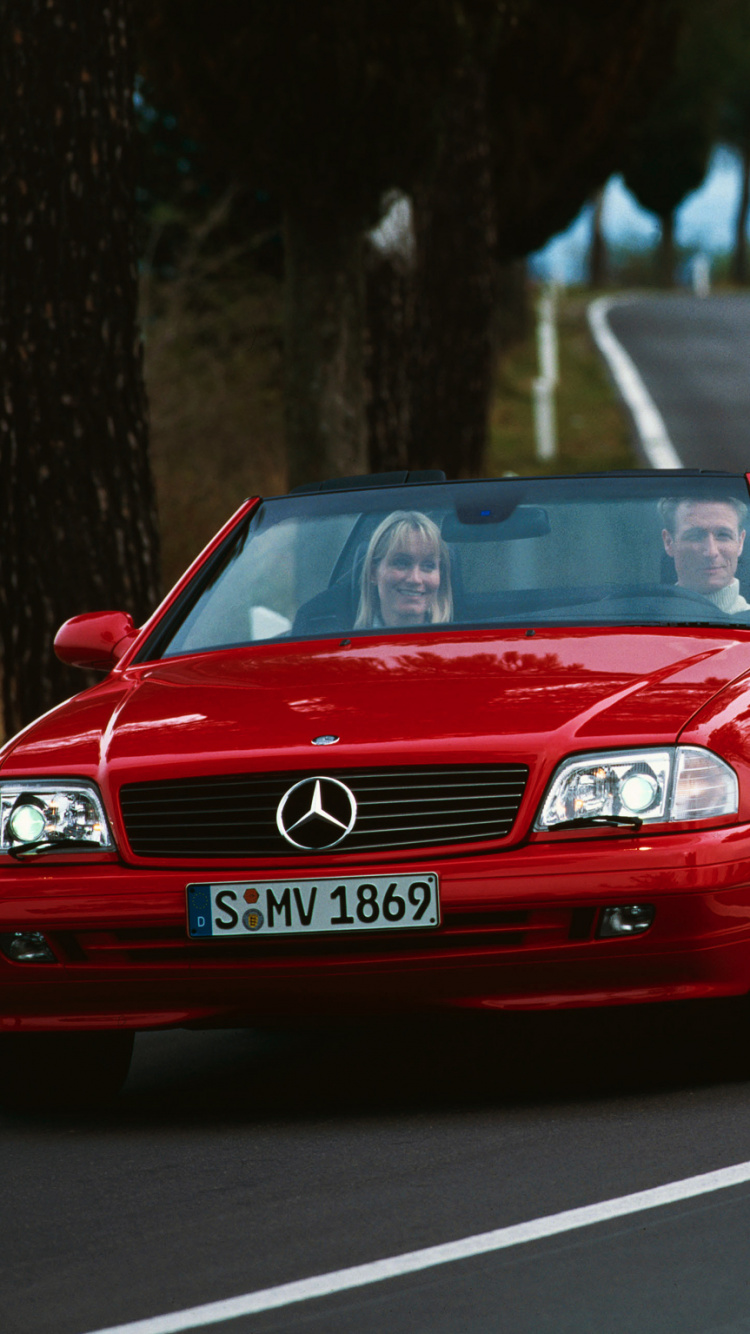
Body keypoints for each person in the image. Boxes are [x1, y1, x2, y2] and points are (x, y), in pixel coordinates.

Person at [355, 511, 453, 628]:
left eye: (428, 566)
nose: (415, 579)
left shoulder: (460, 645)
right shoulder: (343, 643)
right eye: (401, 563)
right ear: (373, 572)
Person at [659, 494, 750, 612]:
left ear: (740, 542)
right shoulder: (642, 621)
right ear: (669, 542)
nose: (711, 552)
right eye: (695, 536)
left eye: (723, 535)